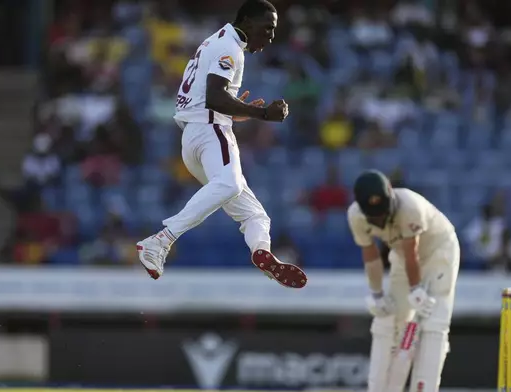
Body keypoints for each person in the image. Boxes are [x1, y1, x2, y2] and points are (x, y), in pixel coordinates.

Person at [136, 0, 307, 288]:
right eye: (268, 28)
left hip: (195, 136)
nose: (271, 36)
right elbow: (215, 98)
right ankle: (160, 241)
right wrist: (262, 113)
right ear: (248, 22)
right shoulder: (229, 48)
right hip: (210, 132)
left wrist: (240, 109)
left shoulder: (215, 41)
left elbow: (210, 98)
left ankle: (262, 253)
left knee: (255, 215)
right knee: (230, 184)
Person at [347, 170, 459, 392]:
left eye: (382, 213)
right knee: (390, 318)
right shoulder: (356, 216)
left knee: (434, 320)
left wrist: (416, 289)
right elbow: (371, 257)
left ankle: (425, 387)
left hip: (439, 251)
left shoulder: (409, 207)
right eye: (374, 216)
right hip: (400, 255)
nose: (379, 220)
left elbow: (413, 253)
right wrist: (376, 293)